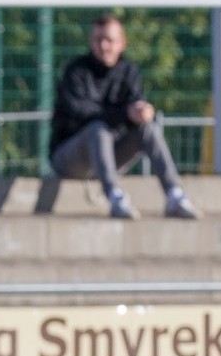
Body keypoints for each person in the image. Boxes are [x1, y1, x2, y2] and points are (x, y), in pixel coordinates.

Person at [48, 14, 200, 220]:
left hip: (111, 154)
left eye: (109, 40)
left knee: (149, 129)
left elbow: (134, 110)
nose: (103, 46)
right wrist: (124, 114)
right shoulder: (76, 71)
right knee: (97, 129)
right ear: (90, 41)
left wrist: (140, 112)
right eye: (98, 39)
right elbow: (80, 114)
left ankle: (175, 195)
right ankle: (114, 197)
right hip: (70, 158)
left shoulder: (129, 71)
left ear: (121, 43)